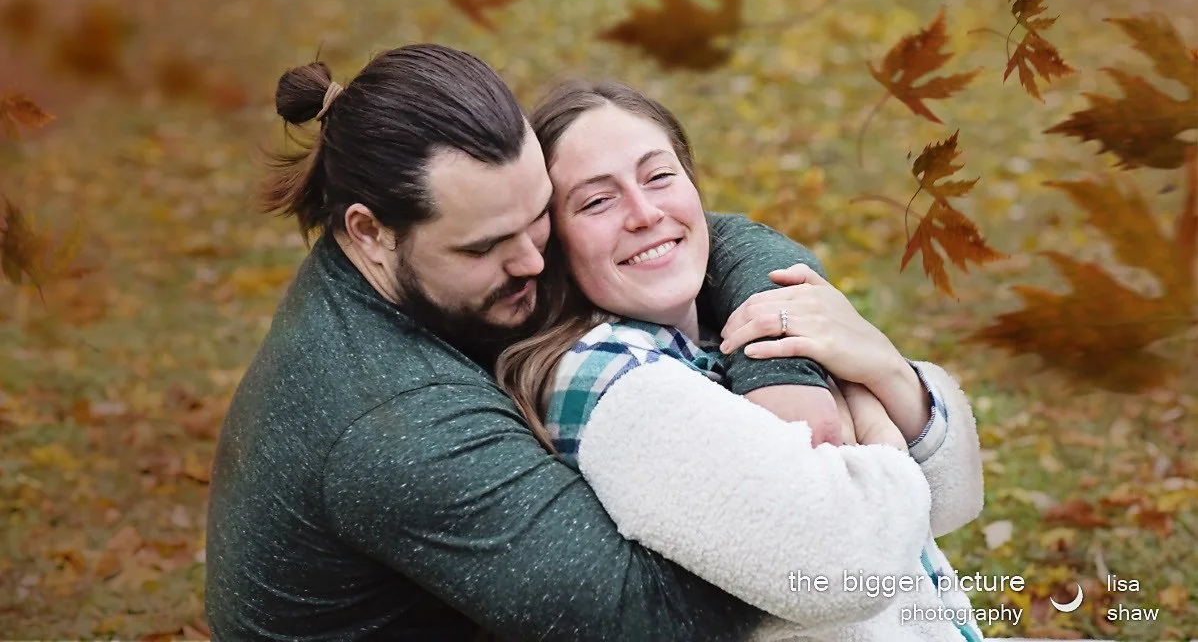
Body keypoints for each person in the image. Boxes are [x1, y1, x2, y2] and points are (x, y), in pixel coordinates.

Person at [205, 43, 885, 641]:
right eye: (487, 247)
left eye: (540, 219)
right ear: (369, 231)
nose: (534, 261)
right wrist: (873, 450)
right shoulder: (396, 424)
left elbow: (714, 234)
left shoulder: (429, 255)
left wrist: (781, 370)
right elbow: (645, 619)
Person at [495, 80, 986, 641]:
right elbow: (844, 567)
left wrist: (885, 367)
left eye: (659, 176)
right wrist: (866, 404)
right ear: (553, 243)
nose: (644, 213)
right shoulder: (609, 378)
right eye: (597, 201)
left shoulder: (716, 326)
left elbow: (953, 499)